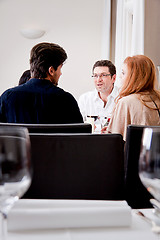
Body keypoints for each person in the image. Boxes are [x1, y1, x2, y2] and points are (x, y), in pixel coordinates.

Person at [0, 42, 83, 124]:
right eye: (60, 69)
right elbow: (80, 135)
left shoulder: (7, 97)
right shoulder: (66, 100)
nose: (61, 73)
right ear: (51, 70)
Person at [104, 55, 160, 140]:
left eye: (123, 73)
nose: (120, 77)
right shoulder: (157, 98)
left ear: (133, 76)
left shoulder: (125, 102)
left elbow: (115, 141)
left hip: (131, 152)